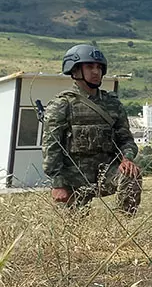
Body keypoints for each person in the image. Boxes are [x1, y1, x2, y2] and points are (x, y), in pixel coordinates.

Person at [42, 44, 142, 214]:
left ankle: (125, 224)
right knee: (74, 228)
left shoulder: (112, 104)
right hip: (74, 177)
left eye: (99, 67)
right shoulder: (62, 104)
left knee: (131, 175)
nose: (96, 72)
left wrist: (127, 159)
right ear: (74, 71)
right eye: (89, 67)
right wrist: (58, 184)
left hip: (106, 173)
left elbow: (126, 140)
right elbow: (52, 147)